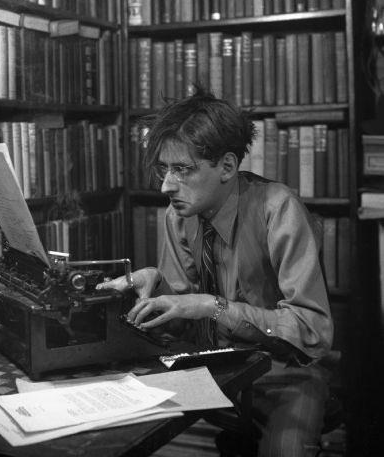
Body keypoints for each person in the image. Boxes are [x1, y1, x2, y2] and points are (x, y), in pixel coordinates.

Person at [98, 87, 333, 457]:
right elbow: (182, 319)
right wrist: (155, 288)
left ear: (226, 167)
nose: (165, 185)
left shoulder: (278, 209)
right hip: (212, 373)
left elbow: (313, 329)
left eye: (182, 170)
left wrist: (214, 306)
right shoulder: (178, 213)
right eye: (164, 169)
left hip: (284, 376)